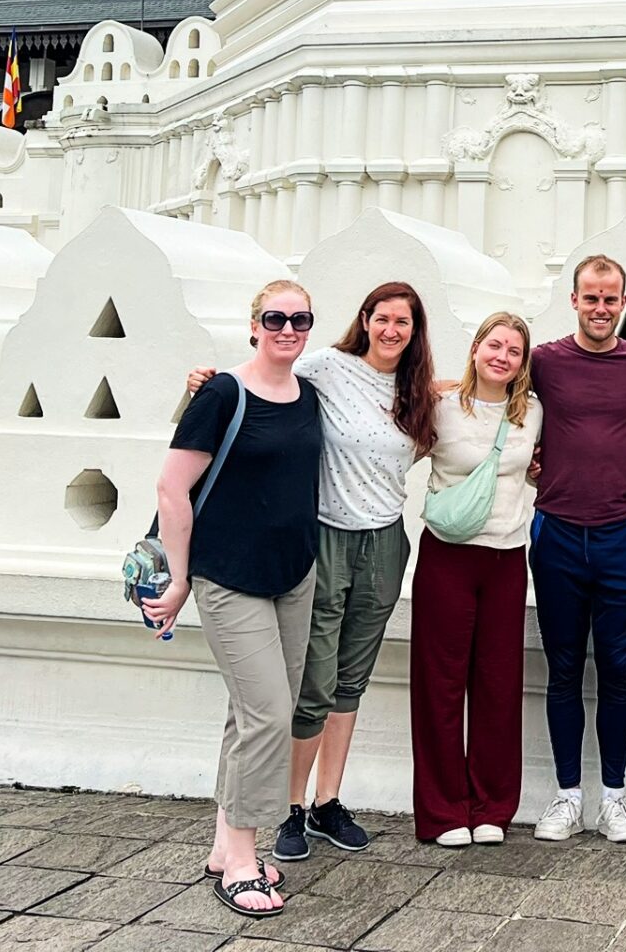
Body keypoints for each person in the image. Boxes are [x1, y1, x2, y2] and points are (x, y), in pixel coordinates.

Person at [188, 282, 436, 861]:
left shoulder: (418, 389)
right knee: (312, 682)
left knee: (351, 677)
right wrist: (204, 384)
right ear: (365, 320)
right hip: (324, 535)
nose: (392, 330)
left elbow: (465, 407)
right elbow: (262, 381)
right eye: (382, 318)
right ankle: (290, 807)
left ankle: (328, 801)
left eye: (403, 322)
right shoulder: (326, 367)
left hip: (384, 541)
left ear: (415, 331)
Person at [143, 280, 324, 919]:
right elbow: (172, 488)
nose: (288, 329)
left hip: (293, 574)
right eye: (275, 318)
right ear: (253, 326)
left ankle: (225, 845)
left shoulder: (310, 395)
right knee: (268, 716)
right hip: (227, 576)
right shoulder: (223, 393)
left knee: (251, 713)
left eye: (300, 319)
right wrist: (179, 580)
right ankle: (245, 862)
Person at [527, 254, 626, 843]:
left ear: (624, 302)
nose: (601, 308)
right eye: (591, 298)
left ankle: (614, 798)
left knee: (617, 672)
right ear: (574, 300)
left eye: (611, 299)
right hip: (557, 532)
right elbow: (483, 387)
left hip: (620, 536)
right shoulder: (544, 361)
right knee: (563, 671)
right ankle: (567, 797)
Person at [410, 312, 543, 847]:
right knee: (439, 685)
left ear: (523, 362)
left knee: (498, 685)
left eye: (513, 350)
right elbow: (391, 447)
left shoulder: (531, 412)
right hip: (448, 556)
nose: (502, 357)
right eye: (494, 345)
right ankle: (443, 811)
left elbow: (542, 468)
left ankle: (492, 807)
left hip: (506, 558)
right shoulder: (441, 407)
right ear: (475, 349)